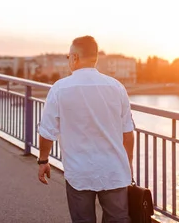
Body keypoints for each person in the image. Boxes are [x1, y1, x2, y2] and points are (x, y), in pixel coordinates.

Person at [37, 36, 135, 223]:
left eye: (68, 57)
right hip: (114, 169)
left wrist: (43, 160)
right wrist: (127, 164)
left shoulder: (60, 88)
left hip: (79, 170)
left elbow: (47, 131)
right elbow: (128, 133)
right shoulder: (117, 87)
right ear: (95, 58)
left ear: (74, 57)